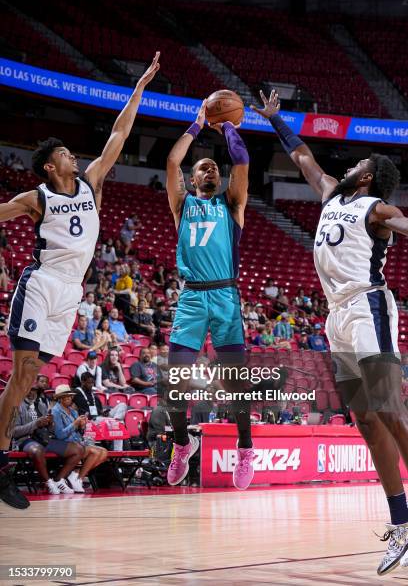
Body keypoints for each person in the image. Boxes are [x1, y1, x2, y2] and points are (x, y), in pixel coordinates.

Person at [252, 87, 408, 574]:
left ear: (369, 177)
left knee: (389, 408)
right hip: (336, 317)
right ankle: (402, 523)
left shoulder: (376, 208)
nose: (347, 167)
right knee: (364, 420)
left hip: (368, 307)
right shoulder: (331, 195)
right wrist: (277, 120)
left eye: (356, 163)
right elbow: (302, 158)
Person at [0, 52, 160, 509]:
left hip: (72, 291)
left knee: (31, 376)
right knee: (19, 376)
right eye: (65, 153)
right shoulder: (37, 196)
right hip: (42, 281)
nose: (74, 155)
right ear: (51, 166)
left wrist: (139, 88)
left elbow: (119, 133)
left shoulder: (91, 183)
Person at [165, 98, 254, 490]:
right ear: (193, 177)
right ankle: (182, 444)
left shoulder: (232, 204)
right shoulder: (181, 204)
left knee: (236, 380)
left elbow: (242, 162)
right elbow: (171, 162)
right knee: (174, 382)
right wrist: (198, 125)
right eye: (204, 166)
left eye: (214, 167)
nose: (211, 169)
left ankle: (246, 447)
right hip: (191, 298)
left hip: (225, 297)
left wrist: (228, 127)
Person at [13, 383, 83, 494]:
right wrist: (36, 424)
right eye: (29, 390)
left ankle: (58, 480)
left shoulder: (41, 405)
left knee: (78, 449)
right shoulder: (17, 406)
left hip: (45, 439)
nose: (31, 393)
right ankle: (48, 482)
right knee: (37, 450)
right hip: (26, 439)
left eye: (34, 390)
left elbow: (50, 430)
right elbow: (14, 432)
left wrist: (50, 424)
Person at [52, 384, 108, 492]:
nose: (69, 399)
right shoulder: (56, 411)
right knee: (95, 452)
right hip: (66, 445)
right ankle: (77, 477)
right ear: (60, 398)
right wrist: (75, 423)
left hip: (77, 442)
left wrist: (82, 426)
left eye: (70, 396)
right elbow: (60, 435)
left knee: (104, 452)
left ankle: (76, 477)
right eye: (66, 397)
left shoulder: (73, 411)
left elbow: (79, 433)